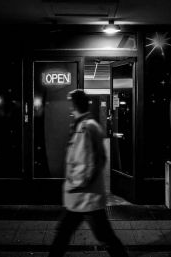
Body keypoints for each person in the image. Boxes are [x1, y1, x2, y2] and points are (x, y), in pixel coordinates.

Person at [48, 89, 128, 257]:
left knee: (96, 235)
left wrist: (75, 184)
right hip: (83, 197)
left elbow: (89, 163)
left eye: (71, 103)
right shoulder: (83, 125)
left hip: (84, 196)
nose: (69, 108)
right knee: (67, 234)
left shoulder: (87, 127)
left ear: (74, 105)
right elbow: (98, 159)